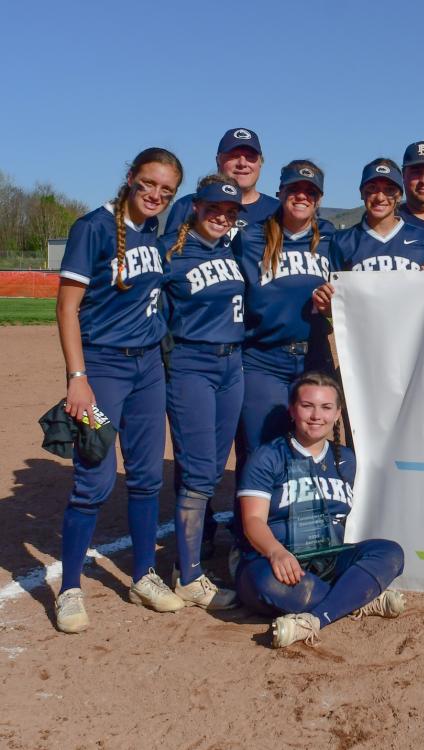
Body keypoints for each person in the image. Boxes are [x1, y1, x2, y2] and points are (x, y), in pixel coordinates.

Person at [54, 147, 185, 633]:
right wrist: (77, 378)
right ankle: (69, 588)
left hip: (148, 368)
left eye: (165, 190)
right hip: (101, 371)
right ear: (130, 178)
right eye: (148, 184)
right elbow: (67, 309)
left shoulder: (152, 230)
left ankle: (143, 576)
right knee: (94, 479)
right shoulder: (93, 227)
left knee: (148, 476)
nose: (155, 195)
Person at [235, 372, 405, 648]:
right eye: (307, 406)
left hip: (328, 559)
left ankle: (315, 619)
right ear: (292, 410)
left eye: (326, 408)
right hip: (276, 563)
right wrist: (276, 552)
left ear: (338, 413)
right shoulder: (268, 457)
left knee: (391, 552)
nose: (317, 416)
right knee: (266, 583)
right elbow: (253, 521)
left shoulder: (346, 460)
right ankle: (357, 598)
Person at [159, 175, 248, 610]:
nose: (222, 217)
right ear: (196, 207)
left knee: (213, 468)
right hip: (193, 364)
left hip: (233, 365)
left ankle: (190, 564)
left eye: (230, 213)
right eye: (215, 209)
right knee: (197, 472)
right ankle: (189, 575)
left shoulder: (230, 250)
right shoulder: (170, 255)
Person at [233, 160, 336, 468]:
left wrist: (334, 307)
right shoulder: (251, 238)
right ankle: (249, 517)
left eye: (310, 191)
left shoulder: (331, 238)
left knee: (309, 444)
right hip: (263, 358)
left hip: (314, 357)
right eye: (295, 189)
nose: (302, 196)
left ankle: (299, 516)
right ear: (280, 193)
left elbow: (352, 292)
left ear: (319, 199)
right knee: (259, 447)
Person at [164, 128, 279, 236]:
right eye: (234, 156)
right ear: (218, 160)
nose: (242, 163)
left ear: (261, 162)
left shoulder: (278, 210)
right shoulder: (187, 205)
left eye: (250, 157)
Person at [331, 159, 424, 272]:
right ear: (361, 192)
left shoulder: (423, 238)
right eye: (372, 188)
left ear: (399, 196)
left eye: (389, 190)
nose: (380, 198)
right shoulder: (342, 241)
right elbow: (335, 285)